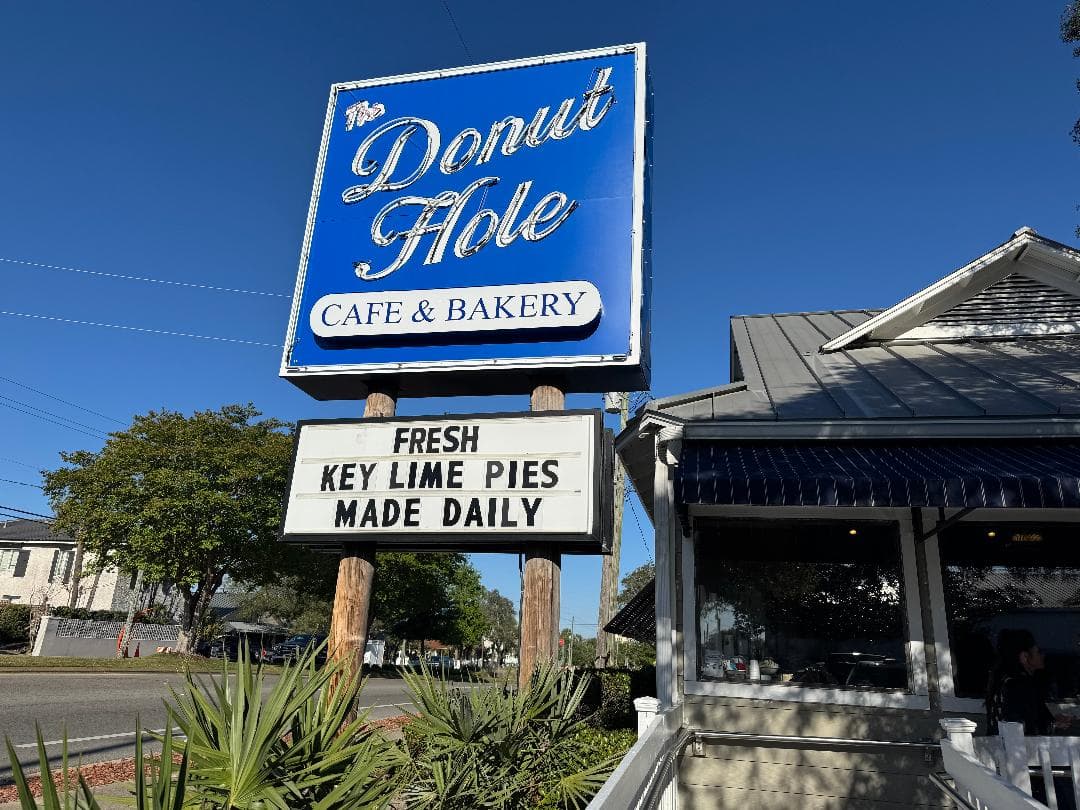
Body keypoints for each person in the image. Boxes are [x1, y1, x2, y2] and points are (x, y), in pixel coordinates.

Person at [986, 628, 1055, 735]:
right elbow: (1029, 725)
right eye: (1038, 651)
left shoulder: (1001, 682)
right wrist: (1050, 725)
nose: (1042, 655)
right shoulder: (1020, 686)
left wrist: (1052, 721)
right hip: (1018, 747)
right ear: (1024, 657)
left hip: (996, 747)